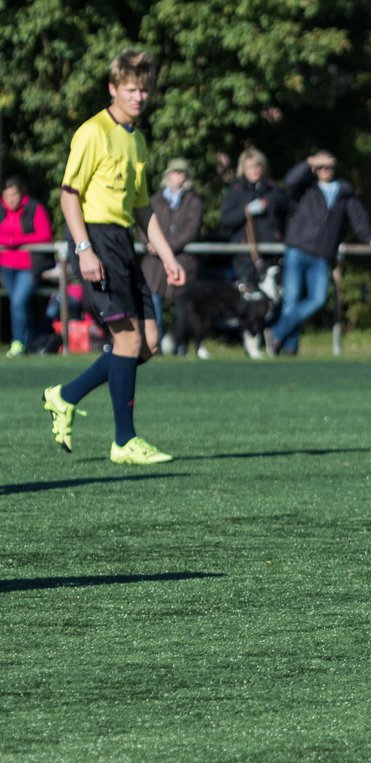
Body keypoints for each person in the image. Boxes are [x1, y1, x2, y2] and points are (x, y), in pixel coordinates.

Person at [41, 49, 187, 464]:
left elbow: (143, 208)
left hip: (123, 243)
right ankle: (124, 441)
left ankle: (64, 395)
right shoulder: (93, 132)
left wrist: (167, 254)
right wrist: (83, 249)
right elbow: (68, 196)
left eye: (144, 89)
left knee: (148, 344)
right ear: (113, 88)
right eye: (130, 89)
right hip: (96, 240)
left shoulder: (137, 139)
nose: (139, 96)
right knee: (126, 340)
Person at [265, 150, 371, 356]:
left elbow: (359, 219)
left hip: (322, 255)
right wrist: (309, 162)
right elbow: (289, 181)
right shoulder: (306, 188)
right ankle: (288, 348)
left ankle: (276, 332)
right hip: (297, 248)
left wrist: (370, 239)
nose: (324, 170)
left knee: (318, 299)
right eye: (319, 167)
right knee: (291, 301)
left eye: (327, 166)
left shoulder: (344, 192)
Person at [141, 158, 202, 347]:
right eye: (175, 172)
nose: (179, 177)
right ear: (168, 175)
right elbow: (142, 224)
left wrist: (164, 247)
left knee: (182, 306)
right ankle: (154, 344)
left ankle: (180, 345)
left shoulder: (193, 202)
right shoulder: (155, 199)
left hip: (181, 260)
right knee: (153, 303)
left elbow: (190, 230)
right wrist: (149, 243)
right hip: (154, 264)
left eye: (182, 173)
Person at [219, 147, 285, 290]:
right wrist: (247, 211)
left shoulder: (273, 190)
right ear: (243, 169)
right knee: (248, 297)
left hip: (271, 254)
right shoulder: (235, 191)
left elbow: (287, 215)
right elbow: (225, 220)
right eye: (250, 167)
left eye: (257, 166)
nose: (254, 170)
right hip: (245, 255)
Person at [1, 176, 53, 357]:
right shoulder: (2, 210)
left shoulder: (33, 207)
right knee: (19, 305)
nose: (10, 199)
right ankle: (32, 340)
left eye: (13, 194)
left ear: (21, 193)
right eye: (6, 196)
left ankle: (18, 341)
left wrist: (15, 241)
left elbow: (45, 235)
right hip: (6, 265)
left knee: (18, 301)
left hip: (29, 266)